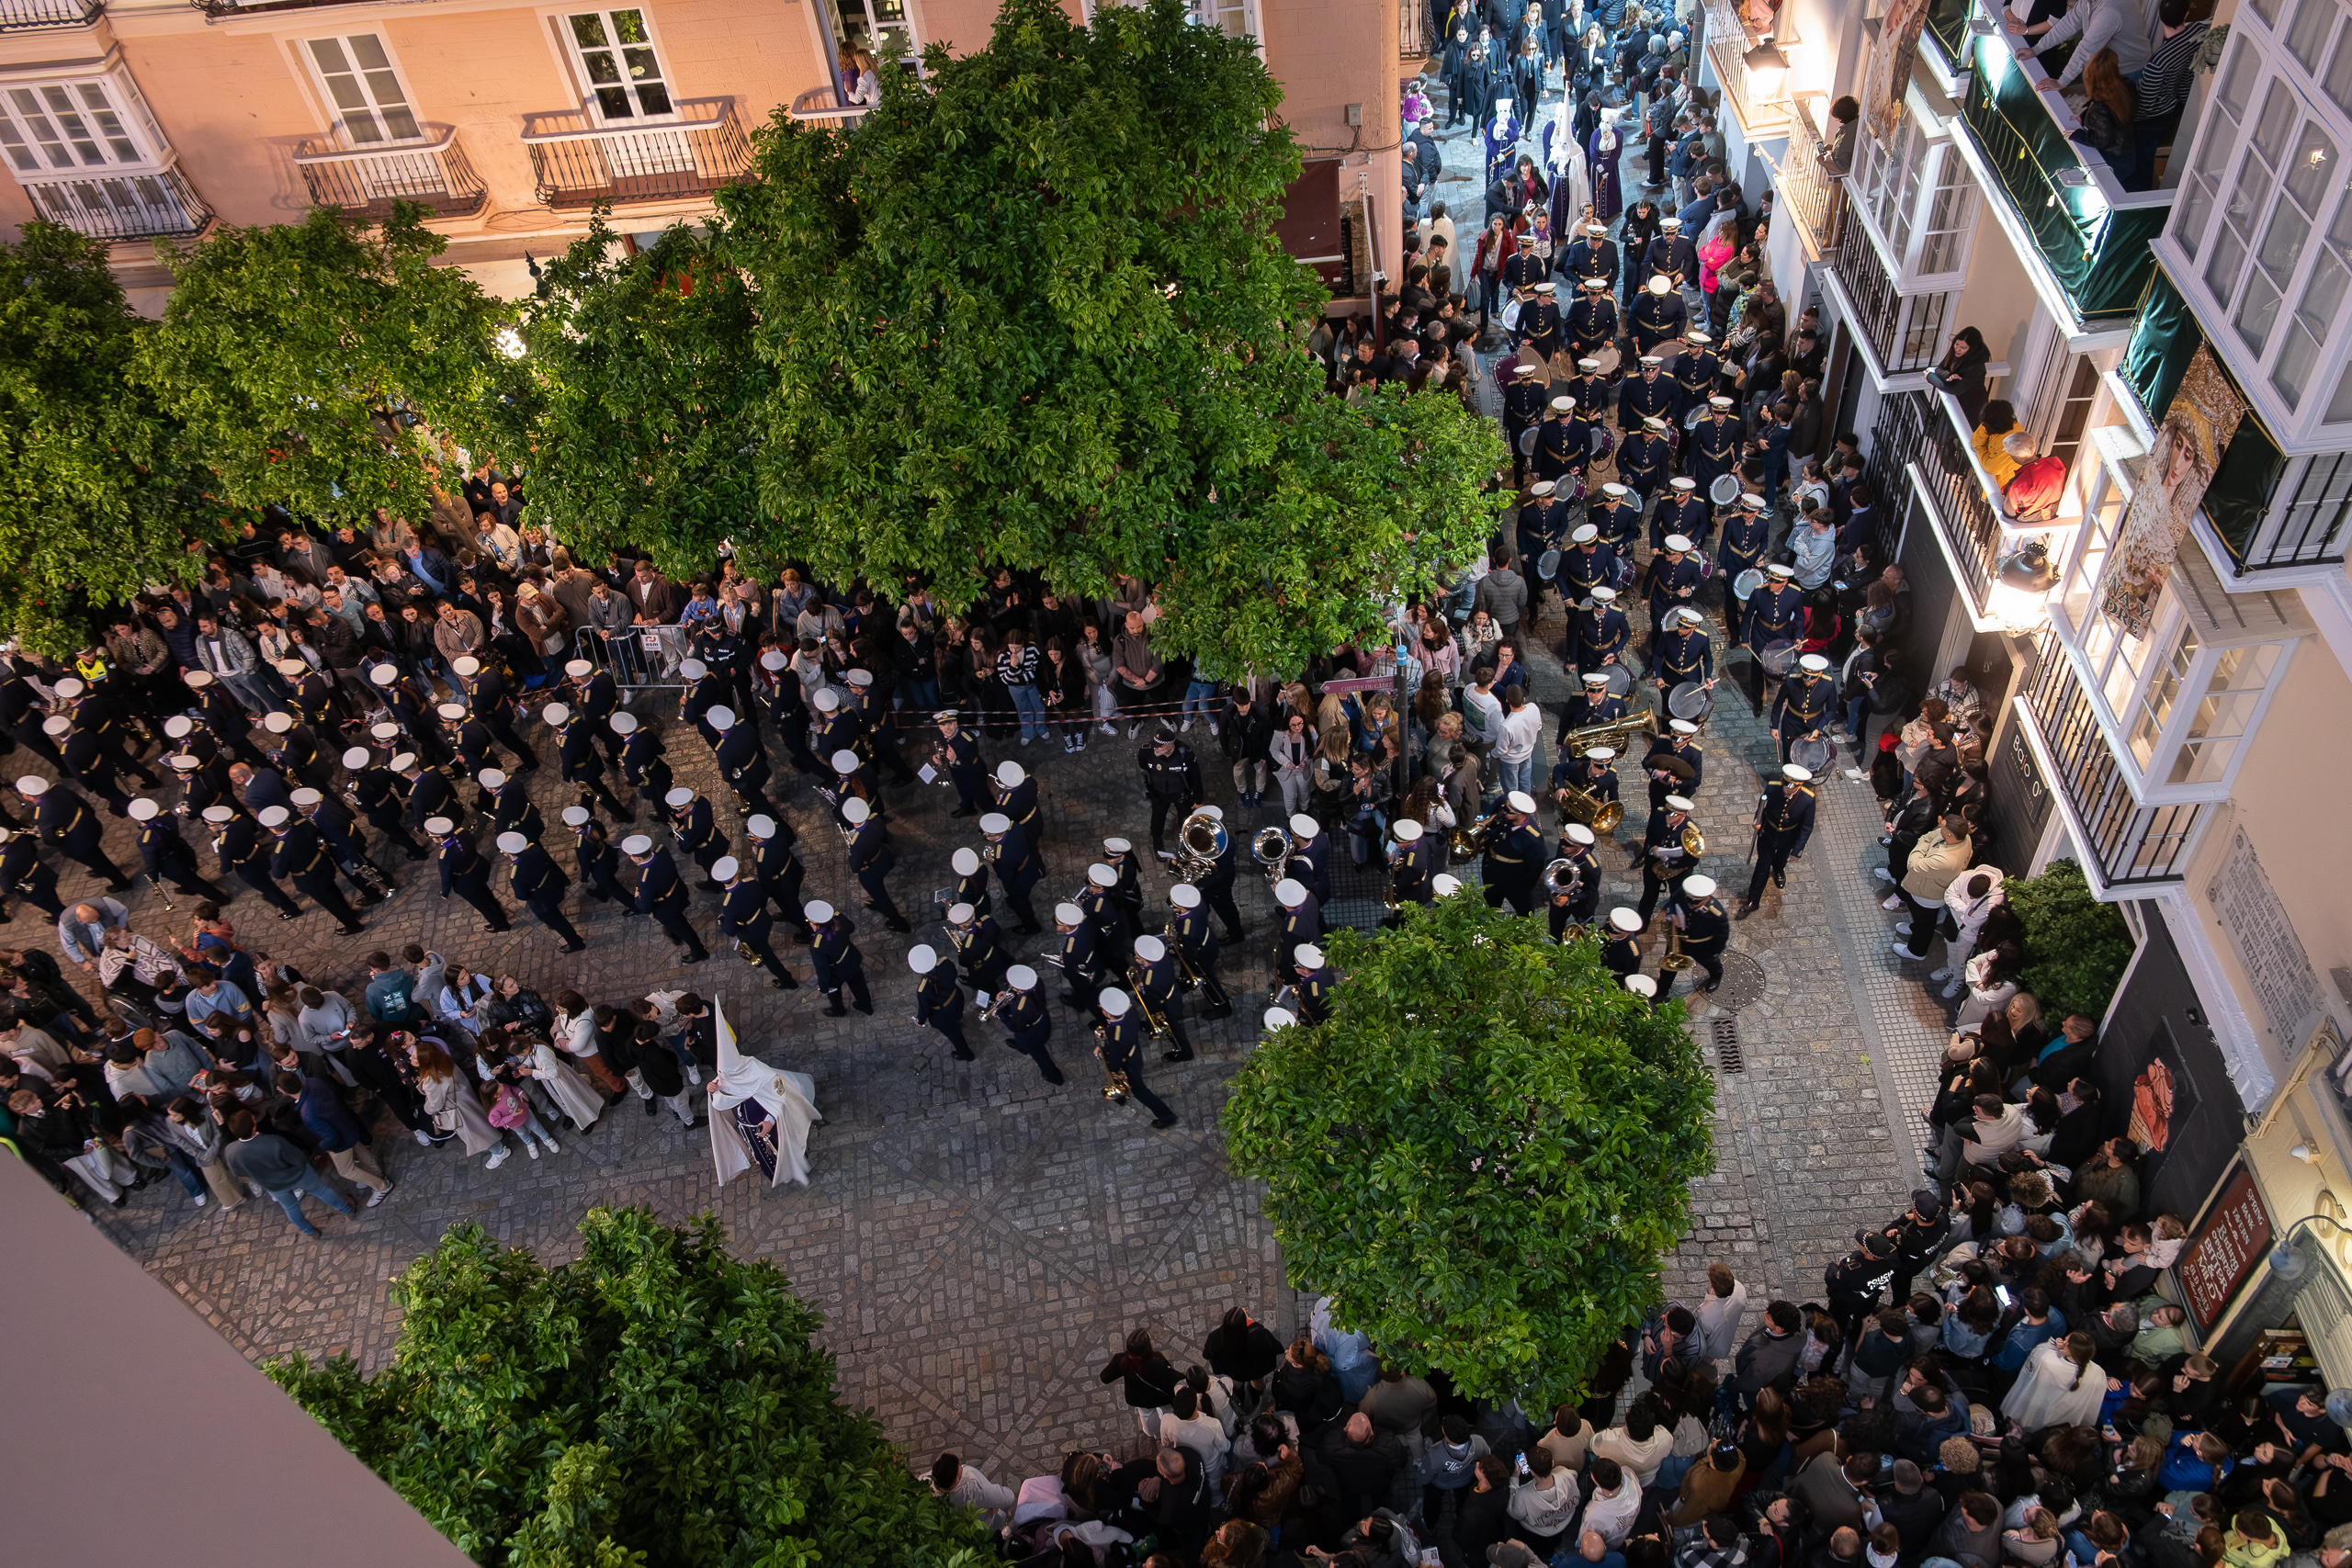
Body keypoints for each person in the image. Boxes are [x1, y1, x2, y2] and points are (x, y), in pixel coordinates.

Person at [705, 1010, 819, 1188]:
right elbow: (720, 1098)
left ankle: (794, 1169)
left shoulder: (760, 1073)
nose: (723, 1079)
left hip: (772, 1128)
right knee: (764, 1156)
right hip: (751, 1131)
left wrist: (770, 1121)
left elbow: (780, 1096)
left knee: (784, 1149)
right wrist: (712, 1089)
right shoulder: (725, 1076)